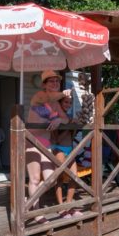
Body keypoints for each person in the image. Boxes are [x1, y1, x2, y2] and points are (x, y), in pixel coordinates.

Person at [26, 70, 70, 224]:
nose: (55, 84)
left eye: (57, 81)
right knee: (35, 178)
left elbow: (65, 119)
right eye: (51, 81)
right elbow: (51, 96)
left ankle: (30, 200)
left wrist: (59, 121)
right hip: (31, 140)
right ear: (44, 84)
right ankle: (37, 214)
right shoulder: (39, 96)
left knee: (51, 178)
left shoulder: (55, 104)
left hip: (46, 143)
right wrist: (63, 93)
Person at [51, 90, 83, 218]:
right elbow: (56, 138)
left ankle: (68, 205)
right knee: (59, 179)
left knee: (74, 177)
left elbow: (72, 135)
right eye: (66, 102)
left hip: (70, 148)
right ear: (60, 102)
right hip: (58, 149)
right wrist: (69, 125)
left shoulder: (69, 118)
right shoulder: (55, 117)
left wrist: (74, 126)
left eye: (70, 102)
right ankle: (61, 208)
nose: (68, 104)